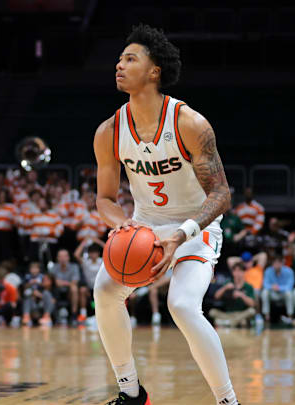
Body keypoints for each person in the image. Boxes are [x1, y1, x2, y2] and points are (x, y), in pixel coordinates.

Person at [92, 24, 239, 405]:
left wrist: (182, 233)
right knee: (105, 291)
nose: (119, 65)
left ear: (154, 71)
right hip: (145, 226)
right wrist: (119, 222)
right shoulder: (109, 131)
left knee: (183, 306)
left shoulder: (189, 123)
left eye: (130, 58)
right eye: (119, 59)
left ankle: (228, 401)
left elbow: (222, 193)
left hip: (195, 227)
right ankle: (130, 393)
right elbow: (105, 198)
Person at [209, 262, 256, 327]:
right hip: (228, 314)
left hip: (241, 314)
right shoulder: (228, 283)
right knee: (212, 312)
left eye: (240, 271)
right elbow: (216, 296)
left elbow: (252, 304)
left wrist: (241, 295)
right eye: (235, 271)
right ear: (232, 273)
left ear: (243, 272)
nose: (237, 273)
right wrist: (225, 288)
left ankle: (227, 323)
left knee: (252, 311)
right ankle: (232, 322)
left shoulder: (248, 286)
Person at [74, 238, 105, 323]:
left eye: (95, 252)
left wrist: (97, 241)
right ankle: (83, 315)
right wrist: (84, 242)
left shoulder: (102, 261)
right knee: (82, 290)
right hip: (89, 289)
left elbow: (109, 249)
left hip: (100, 288)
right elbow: (76, 254)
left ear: (98, 253)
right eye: (91, 253)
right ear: (89, 254)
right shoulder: (86, 262)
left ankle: (102, 315)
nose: (93, 254)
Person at [49, 249, 80, 324]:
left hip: (69, 292)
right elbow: (55, 283)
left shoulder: (74, 267)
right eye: (60, 256)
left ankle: (74, 315)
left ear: (68, 258)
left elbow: (74, 282)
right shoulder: (53, 268)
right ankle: (50, 316)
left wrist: (62, 283)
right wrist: (67, 283)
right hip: (57, 292)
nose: (62, 258)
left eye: (64, 256)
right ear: (57, 258)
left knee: (74, 288)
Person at [260, 255, 295, 323]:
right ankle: (267, 316)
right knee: (264, 292)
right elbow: (265, 284)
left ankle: (290, 316)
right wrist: (272, 287)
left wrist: (279, 288)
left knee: (289, 293)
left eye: (278, 262)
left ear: (282, 263)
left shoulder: (289, 271)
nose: (277, 264)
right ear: (272, 263)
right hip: (273, 293)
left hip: (284, 293)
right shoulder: (268, 271)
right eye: (275, 263)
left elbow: (290, 285)